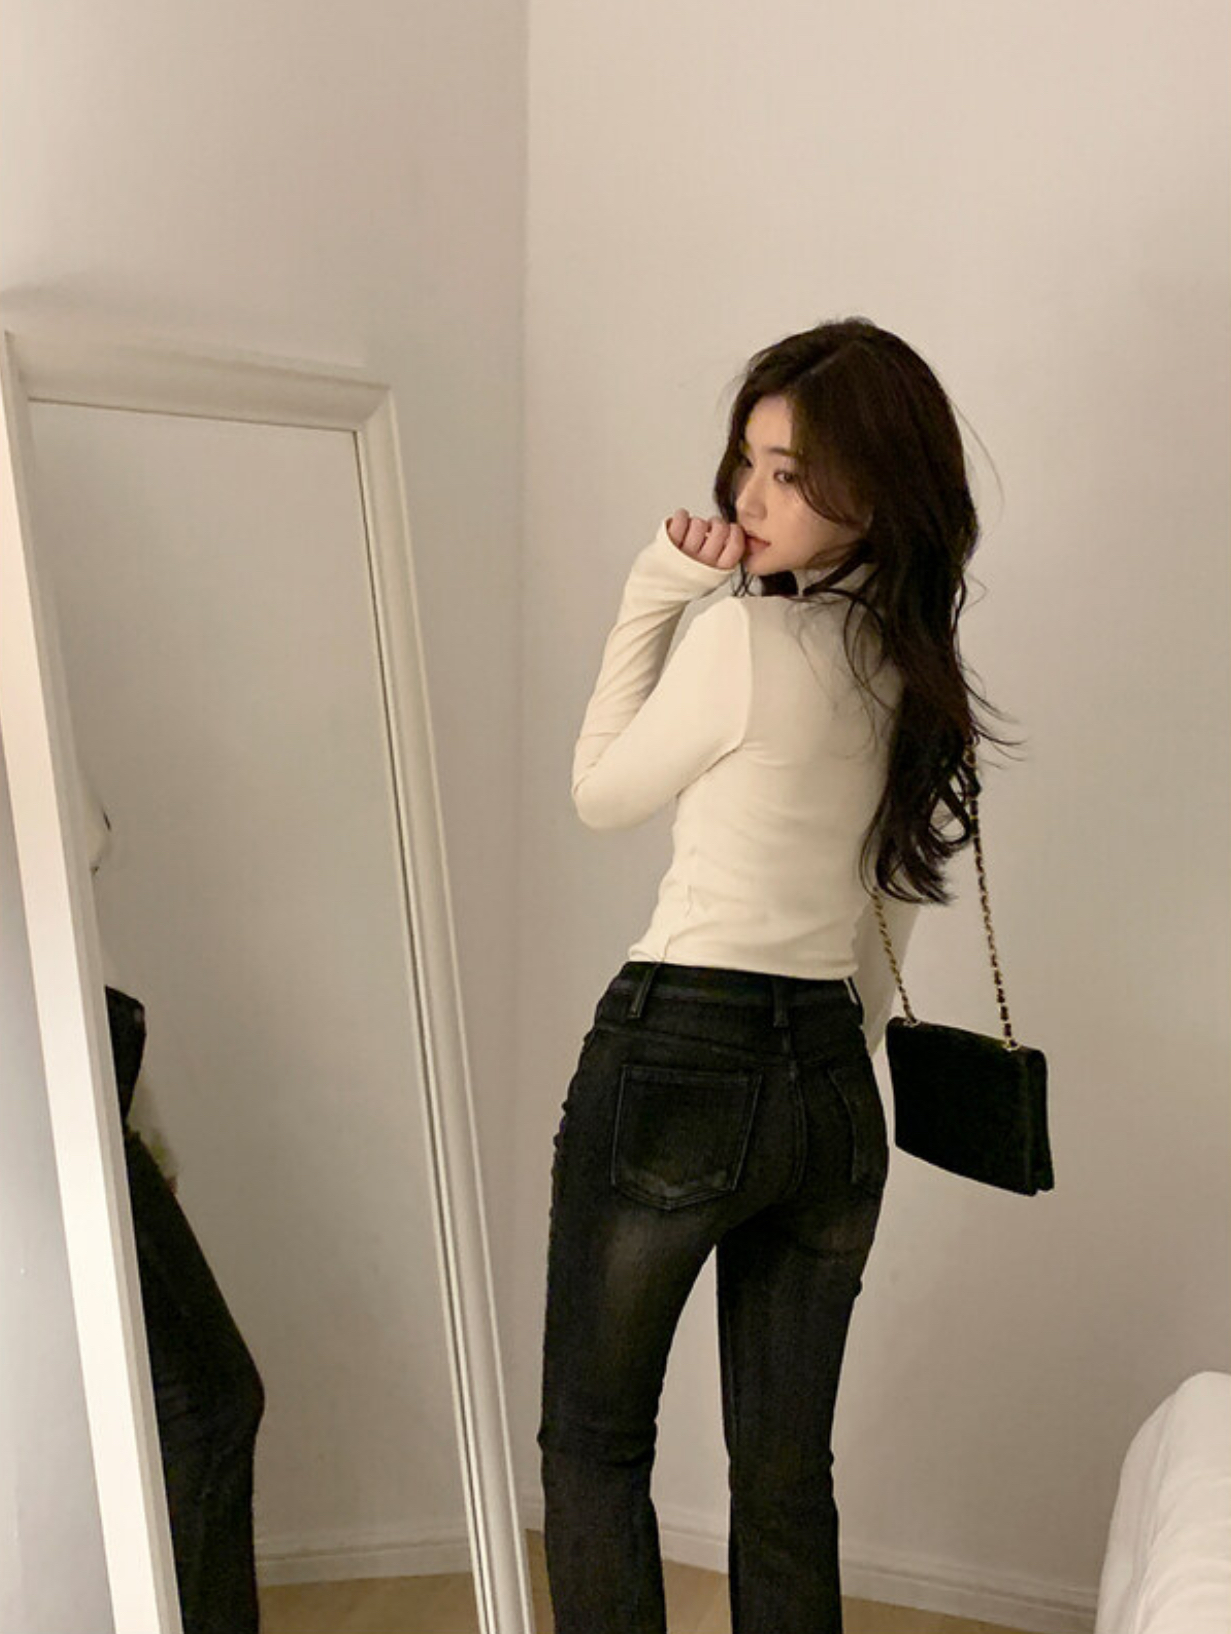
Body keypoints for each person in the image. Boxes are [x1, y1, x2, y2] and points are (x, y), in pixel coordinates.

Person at [537, 316, 1018, 1634]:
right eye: (746, 463)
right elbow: (888, 911)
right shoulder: (913, 675)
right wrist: (817, 1061)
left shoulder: (741, 641)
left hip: (679, 1052)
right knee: (787, 1476)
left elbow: (598, 792)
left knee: (594, 1439)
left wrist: (655, 586)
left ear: (874, 489)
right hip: (829, 1085)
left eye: (789, 473)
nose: (748, 500)